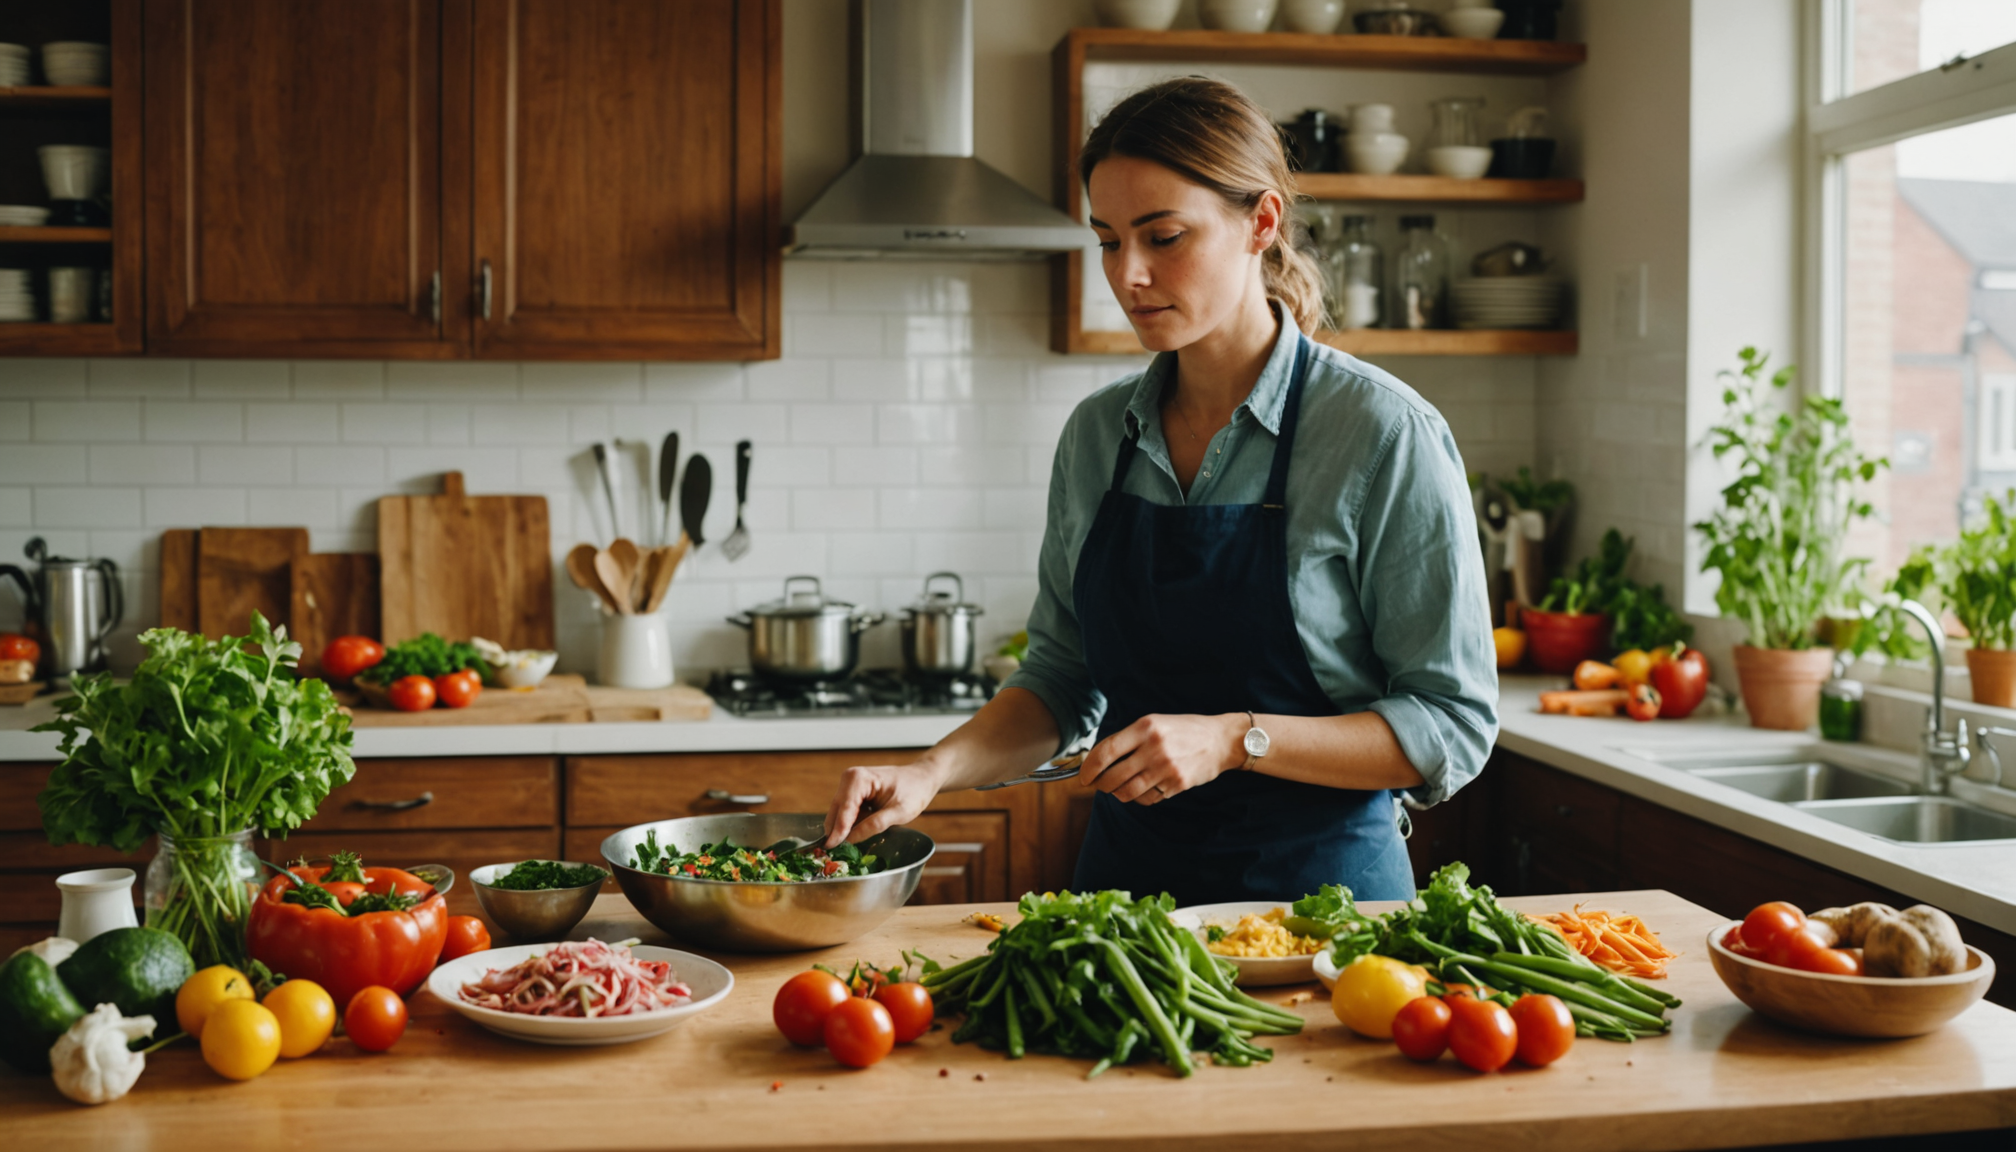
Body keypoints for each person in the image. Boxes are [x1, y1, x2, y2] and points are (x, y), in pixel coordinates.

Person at [820, 77, 1497, 904]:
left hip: (1326, 910)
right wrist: (930, 773)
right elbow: (1062, 681)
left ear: (1263, 222)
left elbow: (1450, 723)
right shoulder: (1099, 435)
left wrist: (1234, 740)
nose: (1129, 274)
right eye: (1107, 240)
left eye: (1164, 236)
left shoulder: (1382, 433)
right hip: (1126, 907)